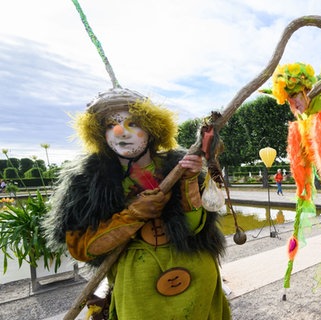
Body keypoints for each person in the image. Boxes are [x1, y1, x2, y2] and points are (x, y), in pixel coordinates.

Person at [43, 88, 230, 319]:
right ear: (100, 134)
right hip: (137, 291)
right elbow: (81, 248)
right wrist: (132, 216)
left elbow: (194, 228)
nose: (121, 132)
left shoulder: (178, 166)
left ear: (151, 129)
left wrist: (190, 180)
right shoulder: (87, 181)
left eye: (133, 123)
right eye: (111, 125)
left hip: (197, 280)